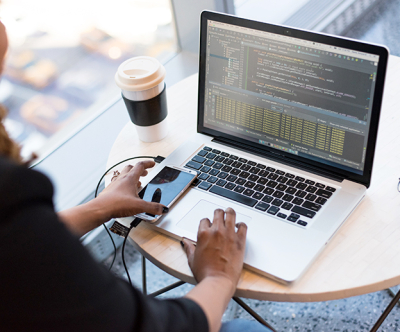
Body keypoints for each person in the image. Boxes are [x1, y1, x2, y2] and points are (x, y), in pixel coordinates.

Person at [0, 21, 272, 332]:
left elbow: (19, 237)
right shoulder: (10, 191)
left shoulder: (12, 212)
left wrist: (100, 207)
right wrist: (219, 277)